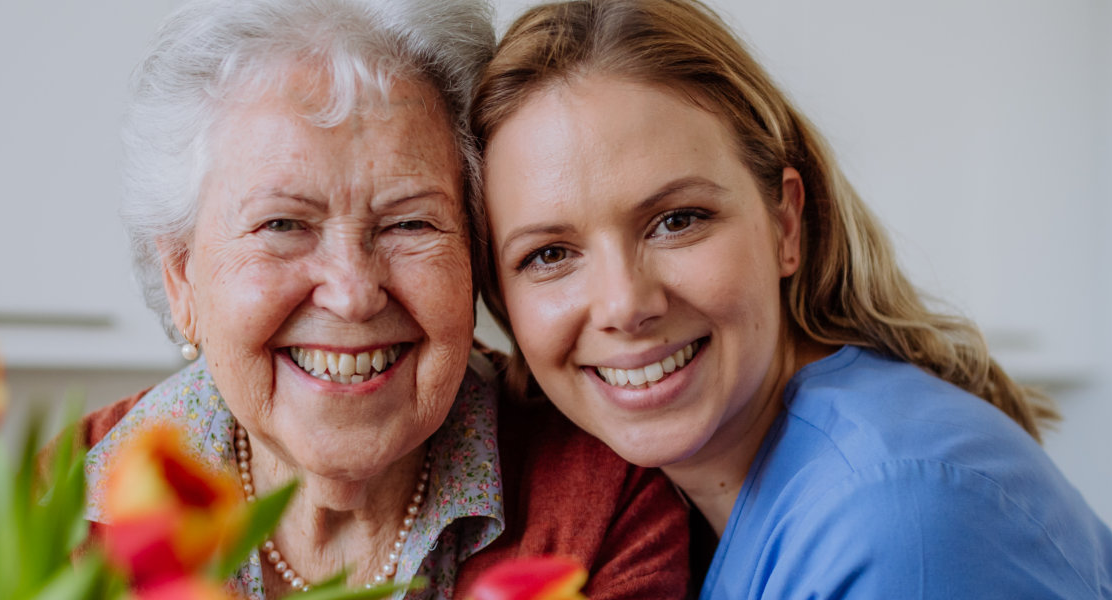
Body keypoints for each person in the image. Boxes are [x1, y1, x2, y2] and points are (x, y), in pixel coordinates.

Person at [470, 0, 1112, 597]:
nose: (624, 304)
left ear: (785, 224)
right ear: (502, 300)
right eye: (549, 255)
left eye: (678, 220)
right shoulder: (681, 508)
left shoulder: (896, 522)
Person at [77, 1, 688, 598]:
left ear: (475, 254)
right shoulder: (56, 510)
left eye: (409, 225)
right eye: (283, 225)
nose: (352, 294)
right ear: (181, 277)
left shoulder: (602, 506)